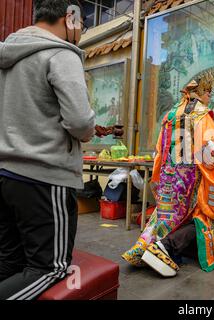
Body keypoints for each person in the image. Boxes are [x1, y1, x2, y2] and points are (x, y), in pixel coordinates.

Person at [0, 0, 94, 299]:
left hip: (4, 174)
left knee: (9, 260)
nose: (81, 30)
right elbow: (80, 121)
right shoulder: (61, 54)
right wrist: (88, 130)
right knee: (49, 268)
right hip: (44, 177)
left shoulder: (7, 54)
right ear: (70, 17)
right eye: (82, 23)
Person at [122, 77, 214, 277]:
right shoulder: (202, 115)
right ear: (201, 94)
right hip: (191, 180)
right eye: (209, 93)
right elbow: (209, 148)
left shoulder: (169, 116)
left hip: (170, 177)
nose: (210, 96)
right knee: (209, 217)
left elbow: (160, 149)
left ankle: (144, 248)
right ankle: (165, 248)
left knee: (165, 217)